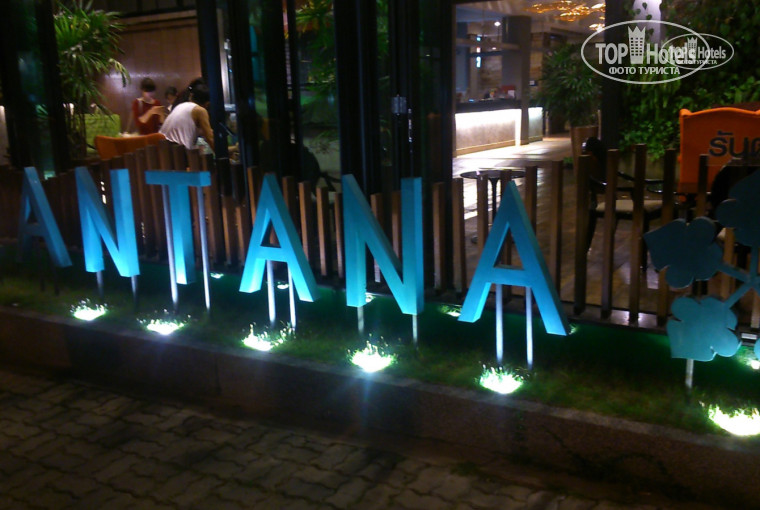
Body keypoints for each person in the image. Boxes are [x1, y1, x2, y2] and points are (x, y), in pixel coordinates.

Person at [159, 83, 215, 152]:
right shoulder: (200, 110)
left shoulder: (180, 106)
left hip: (161, 149)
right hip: (175, 152)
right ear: (207, 104)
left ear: (191, 97)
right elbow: (210, 139)